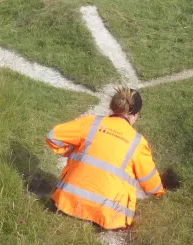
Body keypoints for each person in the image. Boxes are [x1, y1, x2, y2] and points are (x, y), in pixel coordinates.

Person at [45, 86, 164, 229]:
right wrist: (161, 193)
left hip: (66, 203)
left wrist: (73, 152)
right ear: (135, 114)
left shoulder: (91, 123)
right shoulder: (137, 142)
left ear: (113, 107)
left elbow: (53, 137)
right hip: (109, 217)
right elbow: (152, 185)